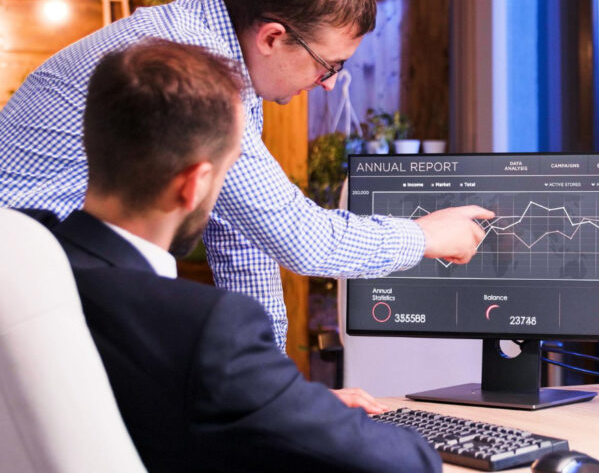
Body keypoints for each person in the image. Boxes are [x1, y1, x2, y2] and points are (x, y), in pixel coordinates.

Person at [0, 0, 493, 349]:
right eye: (329, 66)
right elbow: (303, 239)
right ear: (273, 37)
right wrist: (427, 236)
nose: (327, 85)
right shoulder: (194, 67)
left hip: (53, 287)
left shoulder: (219, 53)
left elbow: (242, 243)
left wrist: (274, 394)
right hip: (26, 293)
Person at [38, 39, 441, 472]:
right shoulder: (204, 328)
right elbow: (405, 464)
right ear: (193, 185)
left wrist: (283, 401)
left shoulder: (31, 270)